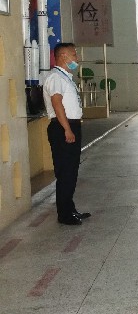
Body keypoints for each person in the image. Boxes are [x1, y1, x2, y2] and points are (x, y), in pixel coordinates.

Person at [43, 42, 89, 225]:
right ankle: (64, 215)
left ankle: (70, 209)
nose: (76, 58)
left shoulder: (65, 77)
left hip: (70, 125)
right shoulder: (55, 77)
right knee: (66, 172)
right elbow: (57, 104)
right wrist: (67, 129)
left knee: (71, 171)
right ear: (63, 56)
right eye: (74, 54)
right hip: (62, 127)